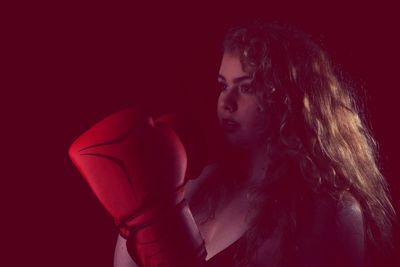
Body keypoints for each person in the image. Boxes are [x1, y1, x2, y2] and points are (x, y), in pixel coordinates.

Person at [74, 21, 396, 267]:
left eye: (247, 87)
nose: (226, 102)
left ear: (291, 98)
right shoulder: (199, 184)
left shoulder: (330, 210)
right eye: (222, 85)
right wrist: (139, 209)